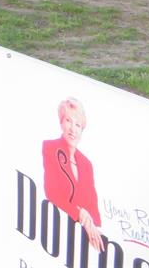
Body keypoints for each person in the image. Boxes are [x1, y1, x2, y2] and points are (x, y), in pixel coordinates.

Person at [42, 97, 104, 252]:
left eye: (78, 125)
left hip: (80, 238)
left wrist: (95, 228)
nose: (73, 129)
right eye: (68, 121)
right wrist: (80, 212)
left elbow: (93, 208)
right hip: (55, 229)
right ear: (61, 123)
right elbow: (52, 193)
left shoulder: (86, 164)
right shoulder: (49, 148)